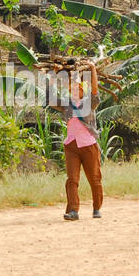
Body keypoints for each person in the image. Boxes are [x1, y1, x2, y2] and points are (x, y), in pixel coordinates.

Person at [53, 65, 104, 221]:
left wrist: (93, 68)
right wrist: (53, 77)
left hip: (88, 145)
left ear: (83, 91)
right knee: (72, 179)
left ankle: (96, 208)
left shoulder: (90, 102)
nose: (75, 91)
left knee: (94, 179)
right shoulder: (66, 104)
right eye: (72, 89)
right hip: (72, 146)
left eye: (78, 89)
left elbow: (95, 89)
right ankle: (73, 210)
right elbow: (50, 98)